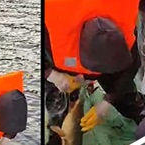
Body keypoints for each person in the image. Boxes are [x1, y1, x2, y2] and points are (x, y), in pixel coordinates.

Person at [43, 0, 144, 131]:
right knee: (56, 104)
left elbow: (131, 67)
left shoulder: (126, 38)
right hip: (64, 58)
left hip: (112, 48)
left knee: (125, 95)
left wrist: (108, 101)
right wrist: (51, 74)